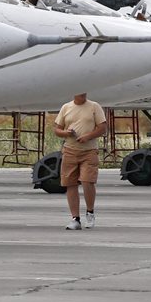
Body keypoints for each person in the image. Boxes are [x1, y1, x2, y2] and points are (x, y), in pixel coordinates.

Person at [54, 93, 107, 230]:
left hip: (89, 151)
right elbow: (57, 129)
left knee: (87, 181)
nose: (82, 94)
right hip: (70, 150)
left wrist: (88, 136)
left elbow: (102, 128)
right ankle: (75, 219)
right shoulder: (66, 107)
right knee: (70, 183)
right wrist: (66, 133)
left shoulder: (94, 106)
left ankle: (90, 212)